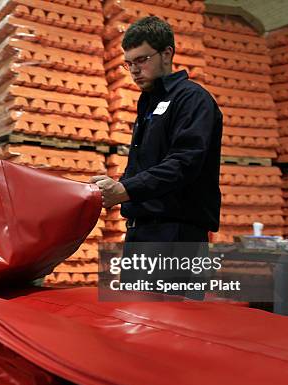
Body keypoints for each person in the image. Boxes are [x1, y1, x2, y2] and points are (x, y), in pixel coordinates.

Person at [91, 17, 223, 299]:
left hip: (177, 235)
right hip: (142, 233)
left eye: (142, 60)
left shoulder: (192, 99)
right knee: (136, 324)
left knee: (173, 329)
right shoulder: (149, 104)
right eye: (129, 64)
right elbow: (145, 166)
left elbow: (184, 162)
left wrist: (125, 190)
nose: (134, 70)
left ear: (167, 54)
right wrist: (115, 185)